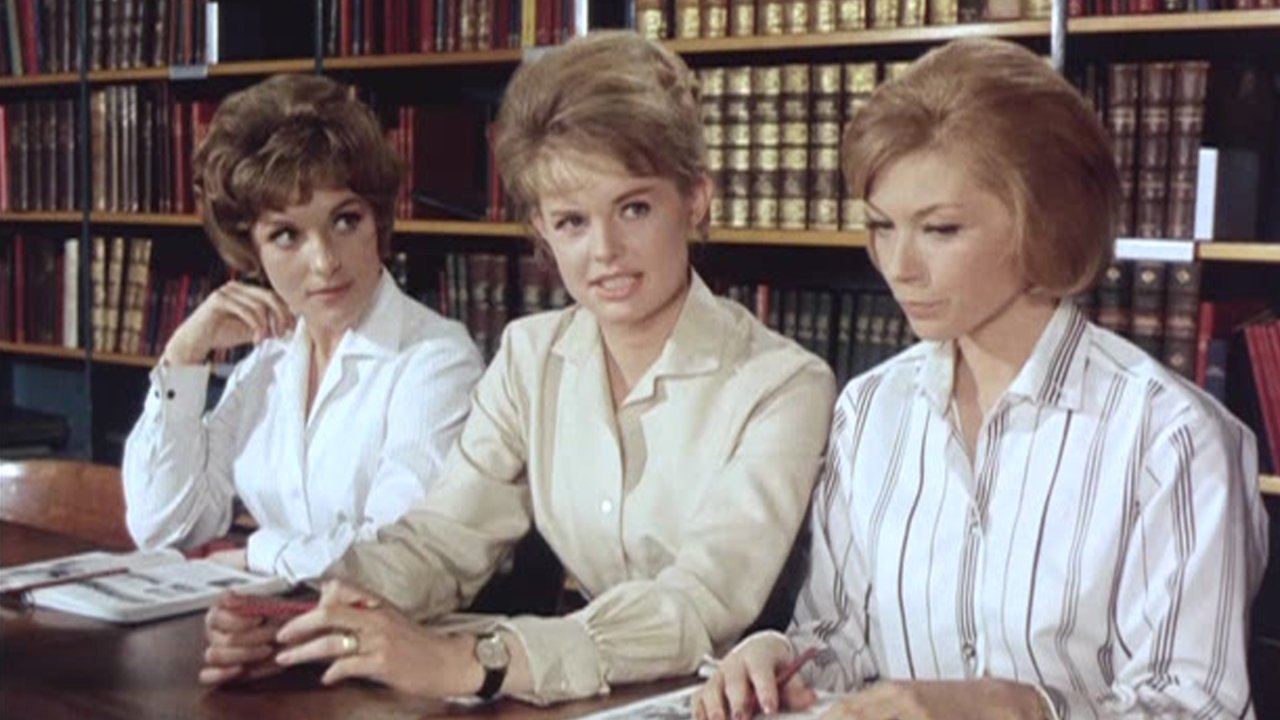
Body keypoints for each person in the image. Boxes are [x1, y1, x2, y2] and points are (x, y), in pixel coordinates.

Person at [197, 31, 837, 703]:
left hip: (737, 702)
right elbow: (441, 541)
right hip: (597, 696)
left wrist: (480, 662)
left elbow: (700, 601)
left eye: (635, 207)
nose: (606, 252)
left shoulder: (784, 384)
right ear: (541, 229)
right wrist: (303, 617)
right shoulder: (531, 356)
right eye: (571, 222)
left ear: (696, 201)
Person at [695, 37, 1269, 720]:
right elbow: (837, 637)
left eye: (939, 229)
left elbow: (1195, 708)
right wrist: (775, 659)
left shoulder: (1168, 438)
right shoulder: (870, 409)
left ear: (1045, 225)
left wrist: (1022, 709)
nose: (898, 266)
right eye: (881, 226)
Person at [122, 74, 484, 583]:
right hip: (281, 633)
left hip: (393, 644)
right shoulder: (267, 366)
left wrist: (256, 553)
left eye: (344, 221)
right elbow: (163, 528)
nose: (324, 263)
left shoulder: (435, 361)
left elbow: (394, 556)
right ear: (252, 251)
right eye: (286, 235)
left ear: (377, 220)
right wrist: (183, 356)